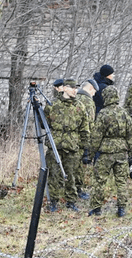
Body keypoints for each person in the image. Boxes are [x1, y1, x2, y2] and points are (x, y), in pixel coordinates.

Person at [87, 86, 132, 218]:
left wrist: (90, 155)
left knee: (99, 180)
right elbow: (131, 137)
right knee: (121, 182)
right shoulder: (124, 113)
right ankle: (121, 209)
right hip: (122, 152)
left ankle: (96, 208)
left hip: (106, 152)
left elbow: (96, 137)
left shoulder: (103, 113)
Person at [44, 78, 90, 212]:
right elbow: (45, 123)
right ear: (64, 88)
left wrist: (83, 148)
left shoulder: (79, 106)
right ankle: (53, 201)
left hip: (72, 146)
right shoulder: (52, 105)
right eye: (72, 88)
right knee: (54, 175)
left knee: (71, 175)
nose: (75, 91)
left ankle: (71, 201)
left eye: (76, 88)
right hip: (55, 145)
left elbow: (84, 129)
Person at [74, 79, 98, 199]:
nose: (94, 94)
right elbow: (90, 123)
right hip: (82, 138)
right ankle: (78, 190)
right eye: (94, 91)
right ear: (89, 88)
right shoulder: (88, 101)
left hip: (70, 138)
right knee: (79, 167)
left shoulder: (73, 98)